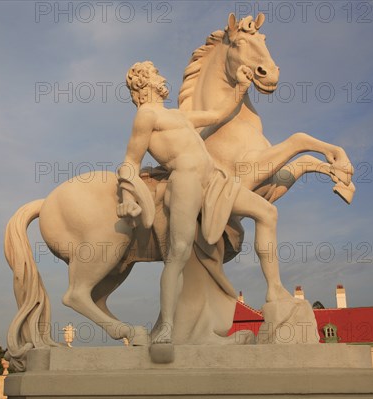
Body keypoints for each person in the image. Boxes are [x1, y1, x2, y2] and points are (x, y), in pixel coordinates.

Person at [117, 61, 291, 344]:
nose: (162, 77)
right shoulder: (146, 116)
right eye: (156, 74)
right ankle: (168, 327)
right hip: (185, 182)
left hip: (215, 182)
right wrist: (126, 195)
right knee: (179, 254)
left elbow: (217, 114)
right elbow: (130, 162)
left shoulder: (177, 115)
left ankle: (275, 291)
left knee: (267, 212)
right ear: (143, 83)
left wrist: (241, 86)